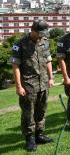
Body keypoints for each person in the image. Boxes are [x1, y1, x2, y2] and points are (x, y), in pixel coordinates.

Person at [9, 20, 54, 152]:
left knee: (42, 111)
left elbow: (48, 60)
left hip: (43, 83)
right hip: (28, 85)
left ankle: (39, 134)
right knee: (28, 113)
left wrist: (51, 77)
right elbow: (15, 66)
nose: (41, 36)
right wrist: (18, 86)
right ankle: (30, 139)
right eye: (39, 33)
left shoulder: (44, 42)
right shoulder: (19, 44)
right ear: (32, 30)